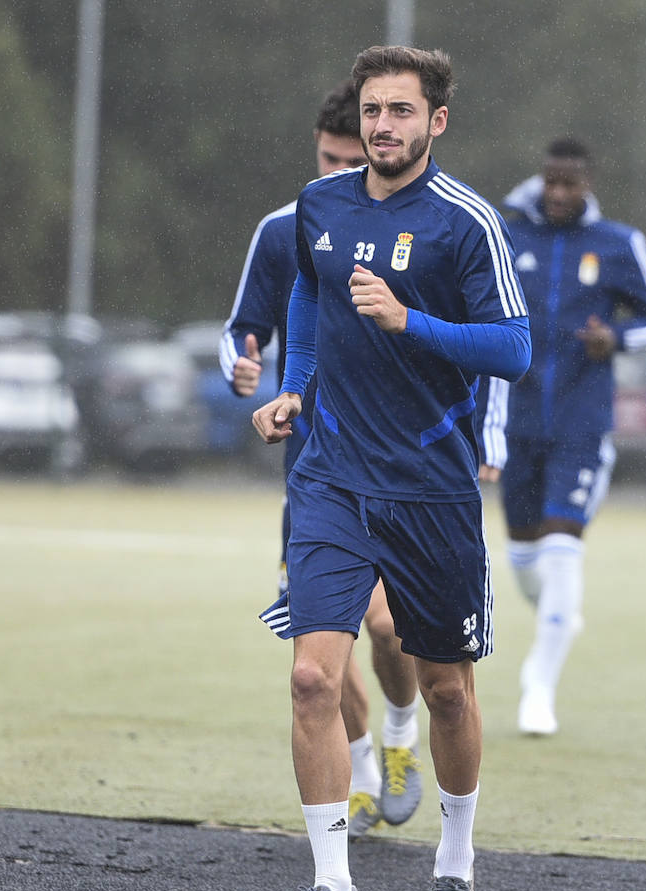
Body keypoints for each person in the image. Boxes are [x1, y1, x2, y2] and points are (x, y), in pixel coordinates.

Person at [251, 45, 530, 891]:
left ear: (435, 122)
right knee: (310, 680)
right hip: (329, 477)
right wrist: (296, 385)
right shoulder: (320, 206)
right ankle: (332, 886)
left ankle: (455, 865)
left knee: (447, 688)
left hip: (431, 488)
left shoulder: (465, 222)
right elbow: (308, 290)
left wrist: (412, 321)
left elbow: (515, 347)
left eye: (401, 112)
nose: (382, 126)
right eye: (373, 110)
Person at [221, 81, 426, 841]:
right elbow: (242, 330)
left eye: (354, 157)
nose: (342, 170)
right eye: (329, 156)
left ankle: (402, 736)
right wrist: (246, 372)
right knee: (316, 665)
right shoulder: (289, 225)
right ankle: (367, 772)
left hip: (399, 471)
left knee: (385, 626)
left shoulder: (424, 223)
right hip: (314, 477)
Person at [498, 137, 646, 736]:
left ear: (588, 185)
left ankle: (538, 689)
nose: (560, 193)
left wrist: (616, 340)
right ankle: (558, 615)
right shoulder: (507, 235)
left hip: (582, 424)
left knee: (562, 548)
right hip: (515, 426)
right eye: (552, 181)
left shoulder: (617, 245)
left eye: (571, 183)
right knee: (524, 561)